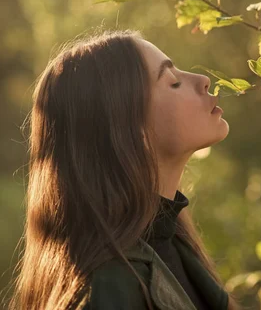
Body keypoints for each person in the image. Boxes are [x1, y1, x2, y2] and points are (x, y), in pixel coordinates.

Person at [8, 29, 241, 309]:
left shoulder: (173, 245)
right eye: (173, 82)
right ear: (129, 129)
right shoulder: (107, 291)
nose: (203, 80)